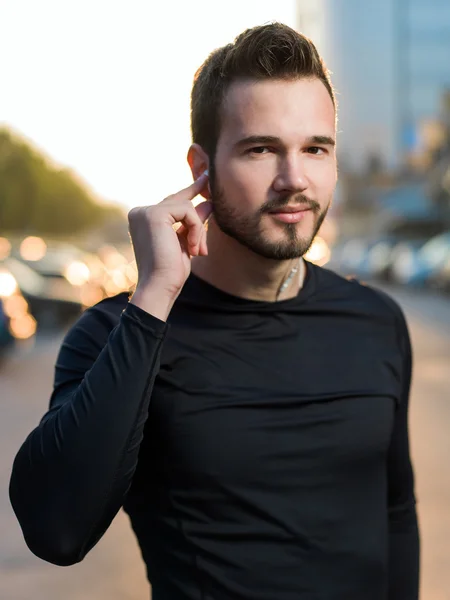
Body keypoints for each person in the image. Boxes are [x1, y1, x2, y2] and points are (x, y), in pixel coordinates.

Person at [9, 23, 420, 600]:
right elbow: (55, 530)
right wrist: (153, 296)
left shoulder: (377, 321)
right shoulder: (117, 333)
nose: (294, 179)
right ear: (201, 167)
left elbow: (396, 513)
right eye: (261, 149)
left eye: (315, 148)